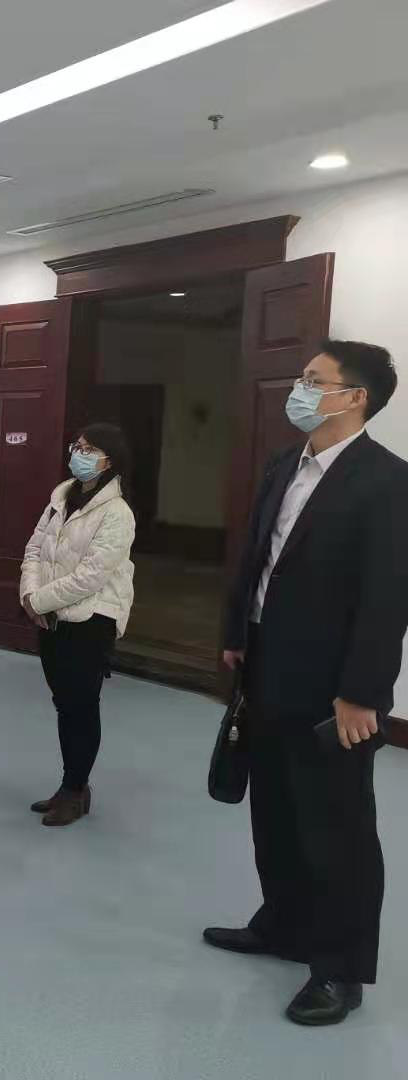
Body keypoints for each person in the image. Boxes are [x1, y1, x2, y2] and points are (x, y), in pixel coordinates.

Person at [208, 340, 408, 1027]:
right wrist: (237, 632)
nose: (300, 388)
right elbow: (258, 558)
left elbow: (388, 597)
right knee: (276, 810)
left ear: (355, 397)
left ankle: (340, 970)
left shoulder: (387, 481)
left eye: (314, 379)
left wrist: (363, 693)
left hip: (333, 686)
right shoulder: (283, 466)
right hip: (267, 664)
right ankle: (284, 925)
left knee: (337, 827)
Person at [19, 423, 136, 827]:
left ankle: (75, 789)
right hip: (53, 617)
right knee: (64, 704)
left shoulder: (117, 513)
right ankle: (70, 787)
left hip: (89, 621)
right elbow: (34, 549)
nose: (78, 455)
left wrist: (39, 601)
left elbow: (91, 576)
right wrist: (30, 594)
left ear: (109, 460)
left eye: (89, 450)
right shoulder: (61, 496)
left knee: (81, 707)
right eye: (77, 447)